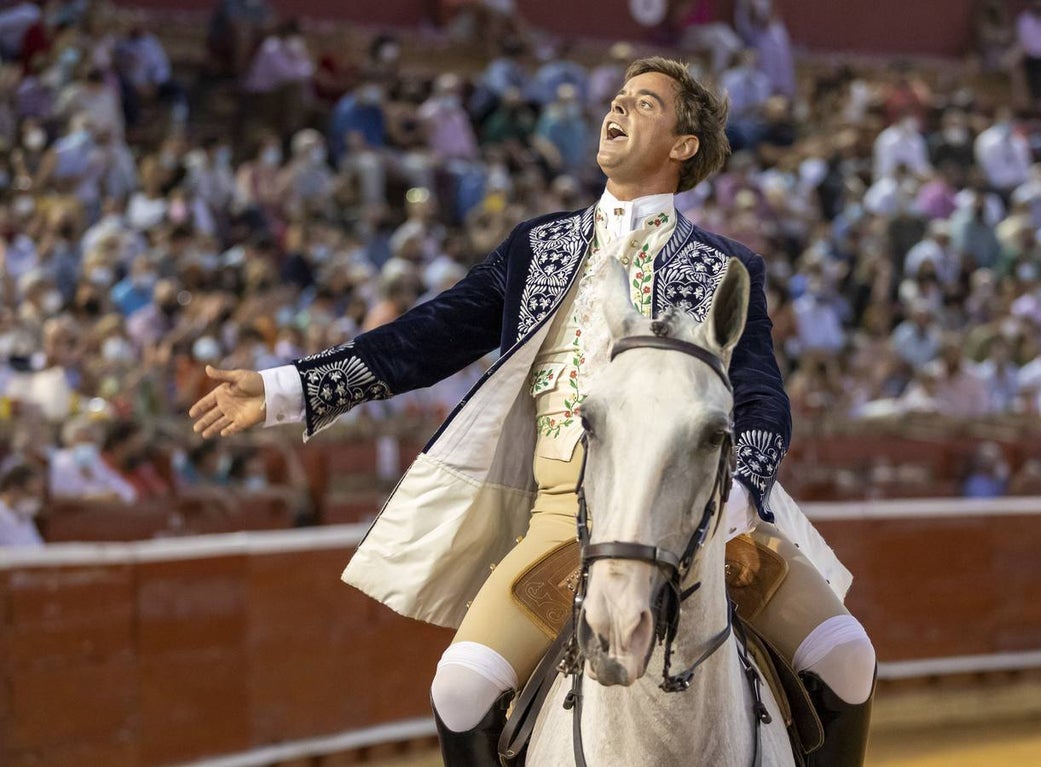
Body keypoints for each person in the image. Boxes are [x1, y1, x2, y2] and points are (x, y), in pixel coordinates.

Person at [190, 57, 875, 767]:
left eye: (644, 103)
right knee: (460, 687)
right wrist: (286, 389)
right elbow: (428, 336)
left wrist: (739, 494)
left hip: (700, 517)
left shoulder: (725, 267)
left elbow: (761, 395)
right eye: (618, 98)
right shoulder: (540, 247)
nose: (617, 108)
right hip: (564, 522)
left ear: (683, 145)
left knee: (849, 657)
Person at [0, 463, 45, 548]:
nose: (35, 500)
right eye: (31, 494)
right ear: (14, 489)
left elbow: (37, 548)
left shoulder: (23, 514)